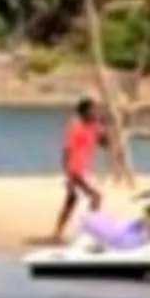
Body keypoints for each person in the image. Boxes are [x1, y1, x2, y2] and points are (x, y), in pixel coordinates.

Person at [53, 98, 106, 244]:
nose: (95, 112)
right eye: (92, 110)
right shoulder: (76, 128)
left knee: (71, 201)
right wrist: (68, 174)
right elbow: (67, 151)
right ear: (83, 113)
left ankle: (58, 233)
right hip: (75, 170)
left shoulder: (95, 127)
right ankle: (91, 232)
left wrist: (105, 126)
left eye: (96, 109)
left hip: (85, 169)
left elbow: (105, 143)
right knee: (96, 197)